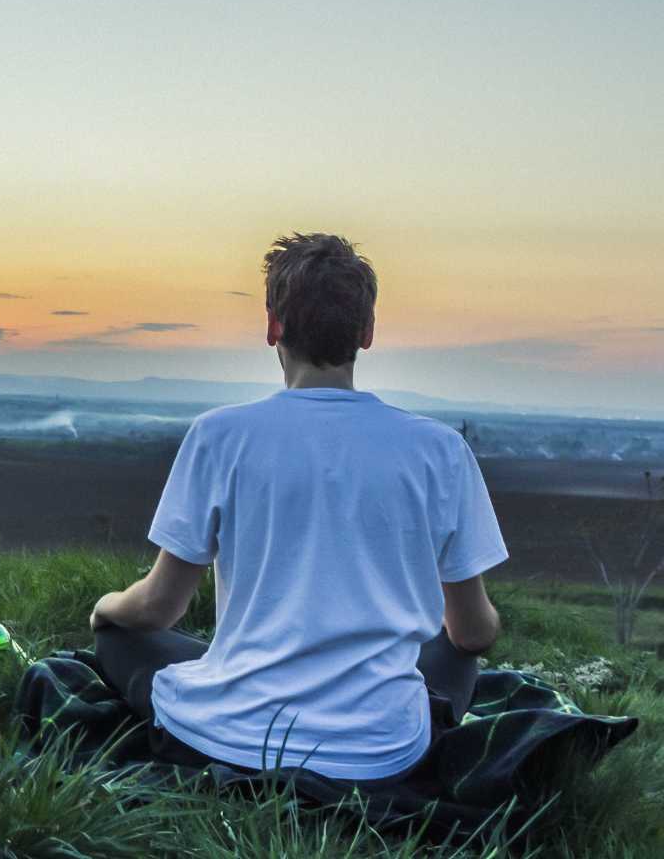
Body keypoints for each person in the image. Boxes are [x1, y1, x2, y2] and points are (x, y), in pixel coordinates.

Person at [90, 231, 508, 785]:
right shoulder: (441, 451)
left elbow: (157, 610)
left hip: (230, 737)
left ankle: (231, 682)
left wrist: (105, 607)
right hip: (380, 754)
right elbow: (474, 634)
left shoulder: (220, 436)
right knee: (452, 650)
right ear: (368, 332)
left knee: (119, 635)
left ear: (273, 327)